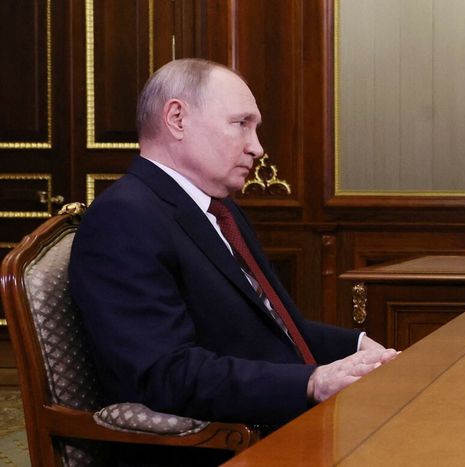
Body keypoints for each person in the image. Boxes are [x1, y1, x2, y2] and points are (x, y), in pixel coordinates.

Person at [69, 59, 398, 462]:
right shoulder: (124, 217)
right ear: (177, 118)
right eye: (241, 123)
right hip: (225, 444)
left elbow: (270, 327)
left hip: (278, 421)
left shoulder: (220, 209)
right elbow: (164, 375)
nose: (257, 147)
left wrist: (359, 347)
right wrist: (311, 382)